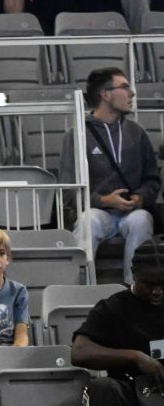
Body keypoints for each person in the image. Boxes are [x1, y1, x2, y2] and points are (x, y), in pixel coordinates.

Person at [78, 68, 161, 284]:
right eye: (124, 87)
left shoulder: (137, 132)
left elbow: (152, 179)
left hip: (132, 212)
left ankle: (134, 289)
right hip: (99, 211)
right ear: (105, 94)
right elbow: (70, 189)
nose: (132, 93)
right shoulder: (78, 133)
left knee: (142, 219)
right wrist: (103, 200)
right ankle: (79, 287)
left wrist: (140, 197)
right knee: (88, 221)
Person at [73, 240, 164, 406]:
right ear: (133, 275)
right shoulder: (114, 307)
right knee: (102, 387)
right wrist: (134, 356)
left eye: (163, 285)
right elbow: (79, 351)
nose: (157, 291)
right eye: (149, 284)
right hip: (131, 393)